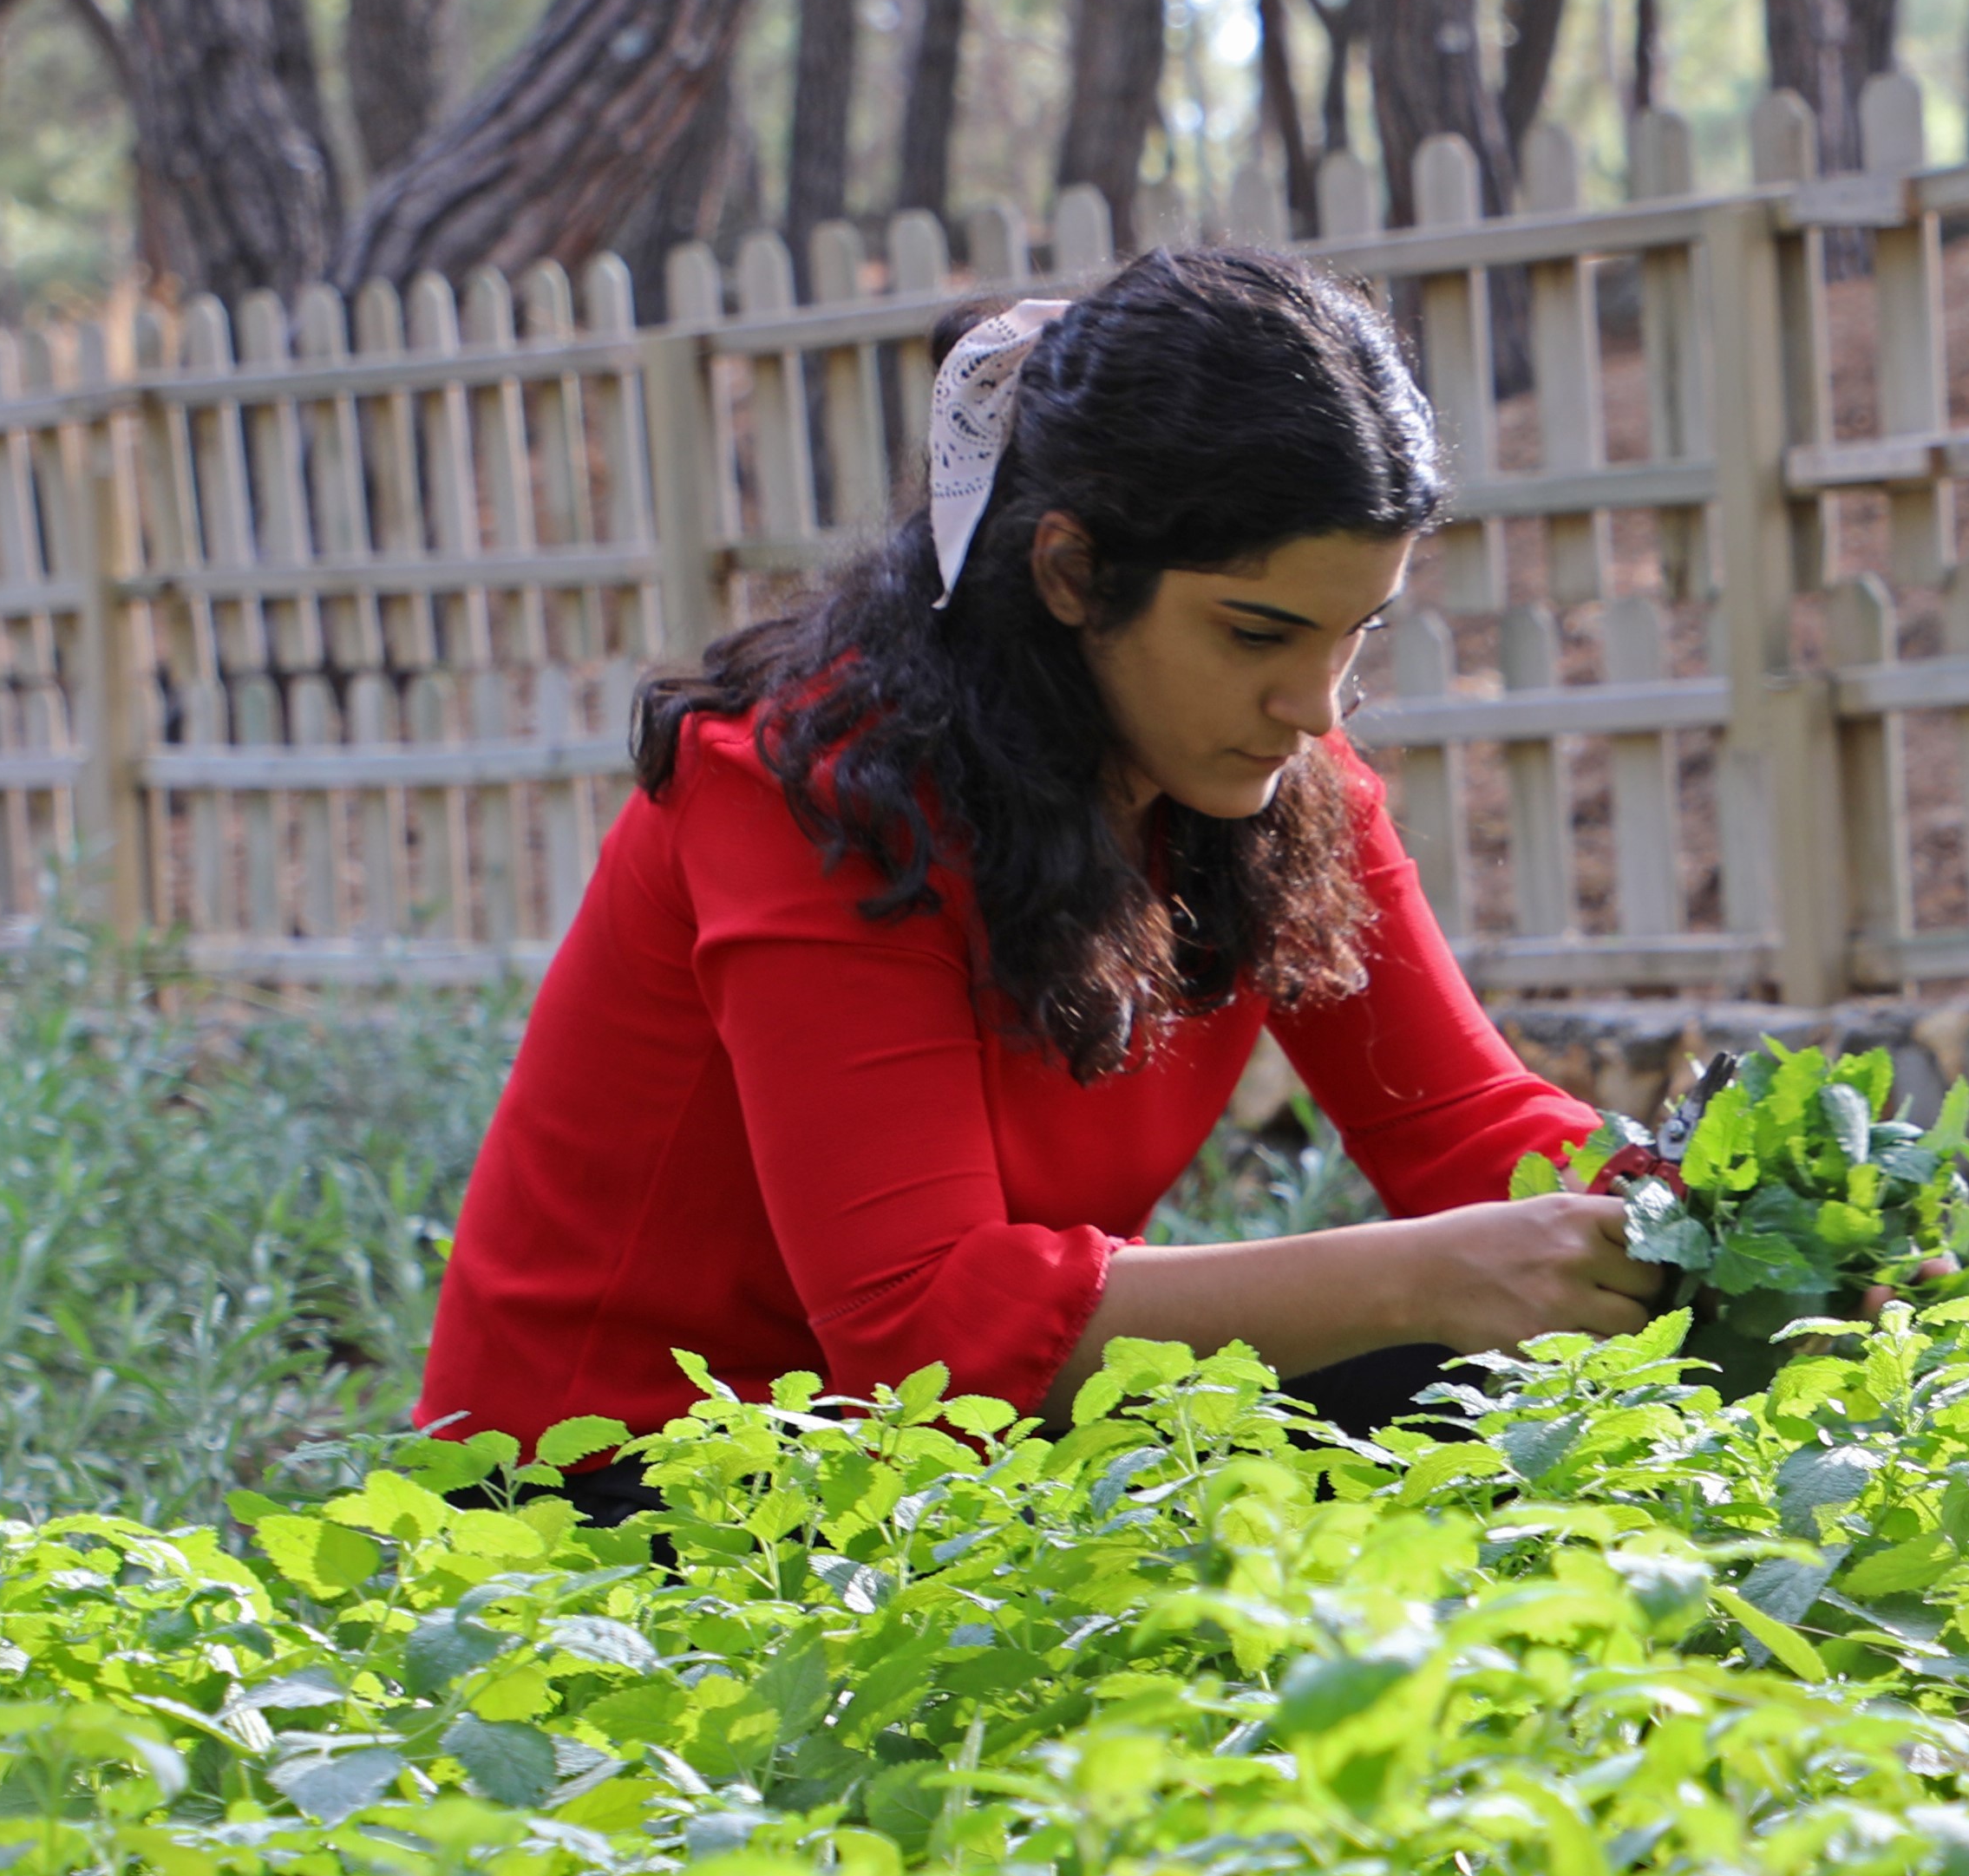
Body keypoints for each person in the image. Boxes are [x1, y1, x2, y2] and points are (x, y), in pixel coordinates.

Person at [414, 247, 1665, 1507]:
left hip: (940, 1472)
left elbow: (1456, 1123)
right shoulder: (802, 797)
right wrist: (1424, 1276)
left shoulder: (1269, 772)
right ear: (1069, 574)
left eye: (1358, 634)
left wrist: (1717, 1209)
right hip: (611, 1497)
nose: (1314, 703)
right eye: (1256, 633)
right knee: (1428, 1371)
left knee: (1555, 1384)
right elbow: (922, 1332)